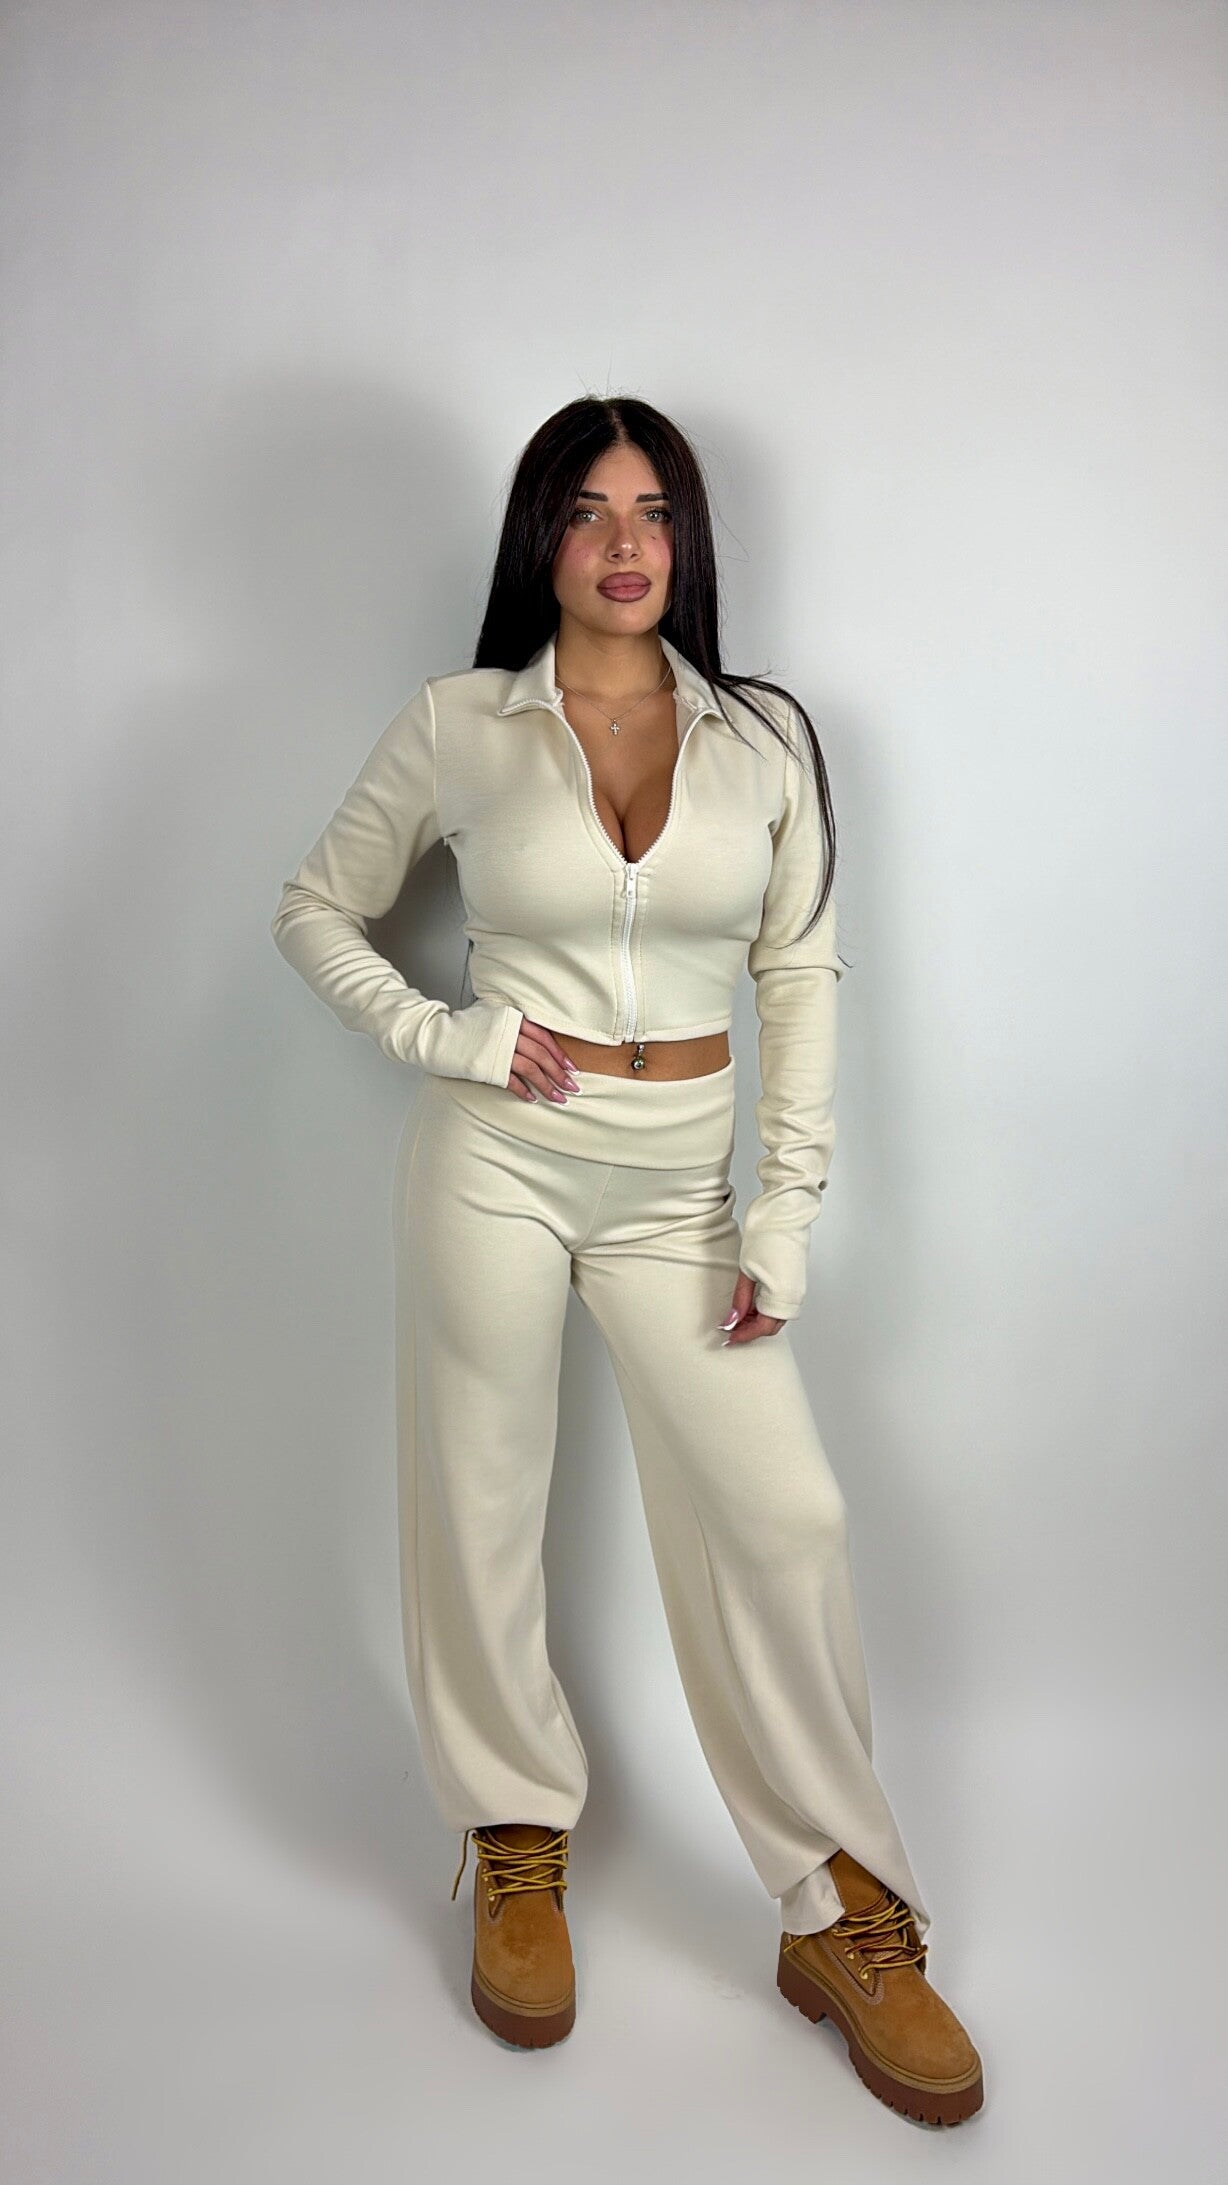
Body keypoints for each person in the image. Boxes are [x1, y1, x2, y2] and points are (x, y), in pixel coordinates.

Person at [270, 396, 984, 2125]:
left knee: (785, 1514)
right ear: (543, 538)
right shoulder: (460, 724)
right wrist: (449, 1035)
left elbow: (800, 976)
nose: (624, 541)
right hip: (499, 1163)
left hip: (681, 1190)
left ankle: (840, 1907)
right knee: (481, 1492)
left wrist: (784, 1213)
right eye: (588, 510)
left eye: (654, 509)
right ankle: (515, 1838)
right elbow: (313, 909)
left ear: (689, 539)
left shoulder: (765, 739)